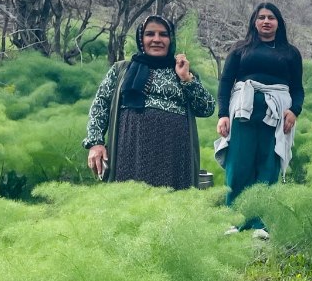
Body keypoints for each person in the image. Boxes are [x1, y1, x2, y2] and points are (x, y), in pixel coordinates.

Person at [84, 15, 214, 189]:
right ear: (141, 39)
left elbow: (207, 108)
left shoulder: (183, 71)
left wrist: (186, 78)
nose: (156, 39)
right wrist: (96, 143)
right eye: (150, 34)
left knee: (174, 207)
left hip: (175, 154)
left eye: (163, 34)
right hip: (130, 151)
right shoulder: (122, 70)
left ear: (171, 39)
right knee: (131, 204)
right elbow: (100, 105)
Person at [214, 2, 304, 239]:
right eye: (261, 17)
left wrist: (294, 110)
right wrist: (223, 114)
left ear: (278, 22)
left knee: (268, 164)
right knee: (239, 163)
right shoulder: (239, 49)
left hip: (277, 113)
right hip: (244, 109)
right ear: (254, 21)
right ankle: (235, 220)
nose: (266, 21)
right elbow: (225, 83)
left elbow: (297, 88)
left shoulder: (290, 53)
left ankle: (261, 224)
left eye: (271, 17)